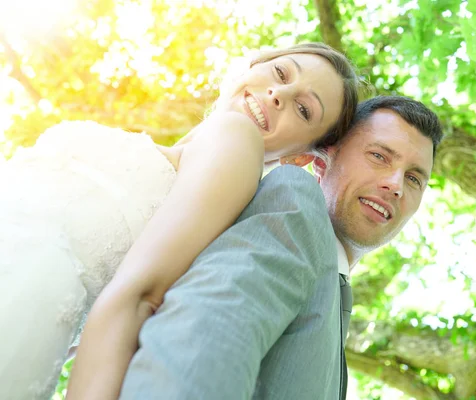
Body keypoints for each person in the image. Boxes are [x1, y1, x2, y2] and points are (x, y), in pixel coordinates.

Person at [0, 42, 359, 400]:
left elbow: (138, 297)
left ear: (298, 159)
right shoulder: (174, 158)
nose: (278, 93)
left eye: (303, 109)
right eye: (281, 73)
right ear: (252, 64)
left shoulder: (240, 139)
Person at [116, 95, 444, 399]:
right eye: (379, 156)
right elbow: (207, 335)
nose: (396, 184)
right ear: (322, 160)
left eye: (414, 178)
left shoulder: (333, 297)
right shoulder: (293, 199)